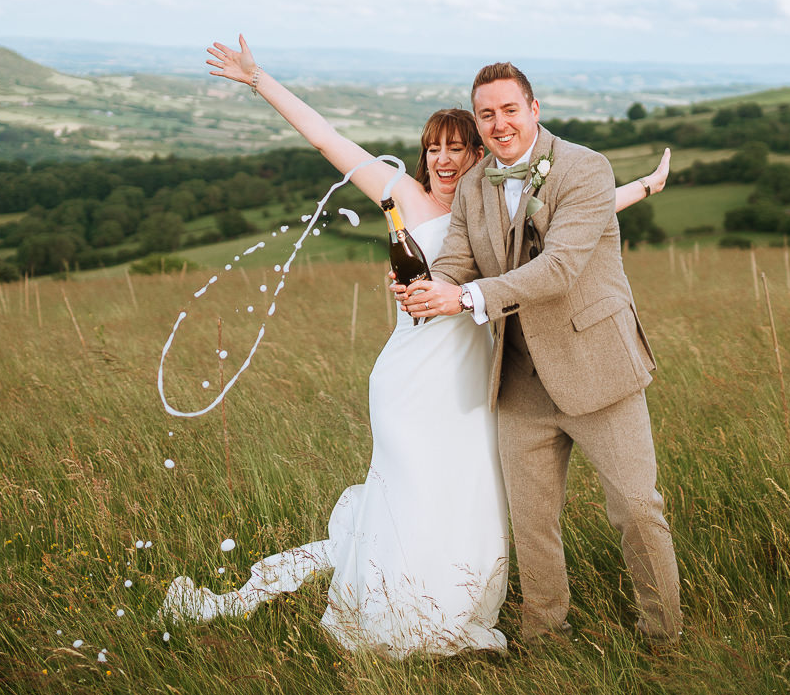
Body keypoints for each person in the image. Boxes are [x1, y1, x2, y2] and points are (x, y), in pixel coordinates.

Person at [159, 37, 671, 658]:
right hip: (441, 375)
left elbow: (572, 234)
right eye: (436, 148)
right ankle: (445, 616)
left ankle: (627, 634)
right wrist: (259, 79)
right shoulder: (423, 196)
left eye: (460, 147)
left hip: (529, 374)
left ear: (519, 121)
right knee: (469, 502)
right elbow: (330, 142)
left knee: (509, 496)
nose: (446, 160)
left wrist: (643, 187)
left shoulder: (532, 185)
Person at [402, 62, 682, 648]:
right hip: (518, 377)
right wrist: (429, 288)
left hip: (597, 366)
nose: (499, 124)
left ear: (534, 109)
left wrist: (466, 297)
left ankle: (665, 642)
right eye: (486, 115)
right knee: (531, 524)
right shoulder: (476, 184)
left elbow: (558, 269)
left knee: (636, 508)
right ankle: (543, 642)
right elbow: (459, 258)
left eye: (509, 109)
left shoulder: (585, 168)